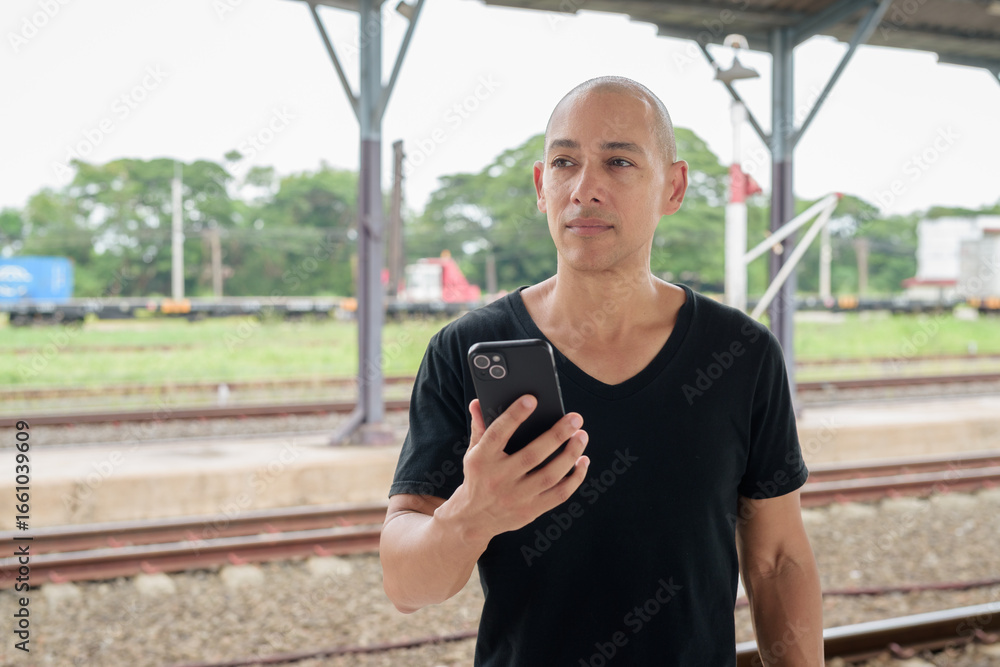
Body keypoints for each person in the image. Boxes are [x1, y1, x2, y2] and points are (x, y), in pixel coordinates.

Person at [380, 75, 823, 666]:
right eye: (565, 162)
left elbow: (777, 562)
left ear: (674, 186)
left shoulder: (740, 354)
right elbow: (407, 587)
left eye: (618, 162)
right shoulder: (469, 350)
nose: (584, 189)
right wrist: (471, 515)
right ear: (542, 186)